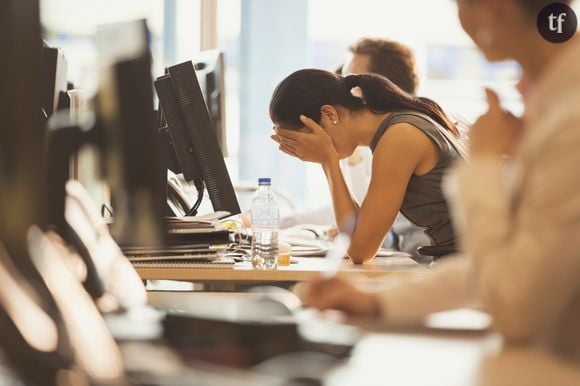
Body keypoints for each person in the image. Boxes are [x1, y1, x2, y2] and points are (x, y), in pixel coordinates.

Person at [305, 0, 580, 360]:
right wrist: (374, 302)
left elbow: (514, 305)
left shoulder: (569, 117)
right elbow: (492, 267)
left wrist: (482, 164)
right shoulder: (552, 95)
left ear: (489, 7)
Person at [270, 69, 467, 264]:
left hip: (468, 268)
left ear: (329, 114)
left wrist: (328, 159)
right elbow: (356, 231)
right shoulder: (396, 128)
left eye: (308, 139)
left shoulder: (400, 136)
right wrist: (328, 159)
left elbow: (360, 250)